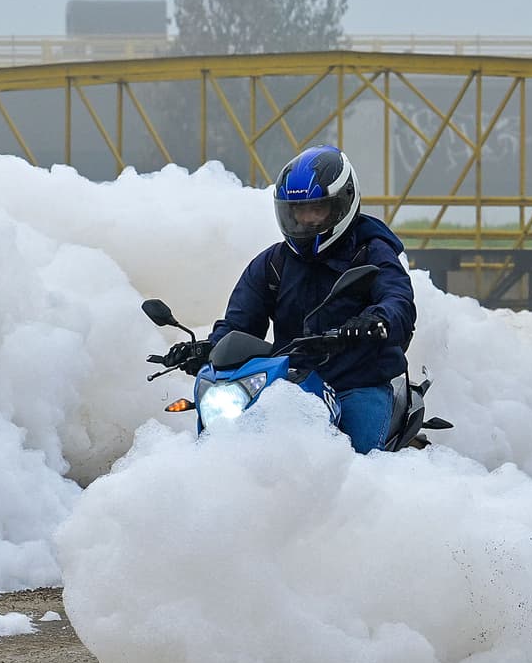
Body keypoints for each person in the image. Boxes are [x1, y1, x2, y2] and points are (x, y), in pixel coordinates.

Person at [165, 145, 416, 453]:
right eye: (297, 211)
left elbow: (398, 300)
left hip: (357, 383)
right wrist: (206, 349)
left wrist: (374, 321)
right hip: (289, 386)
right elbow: (238, 324)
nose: (305, 220)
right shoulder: (273, 264)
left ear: (342, 204)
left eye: (316, 209)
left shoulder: (371, 253)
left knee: (358, 459)